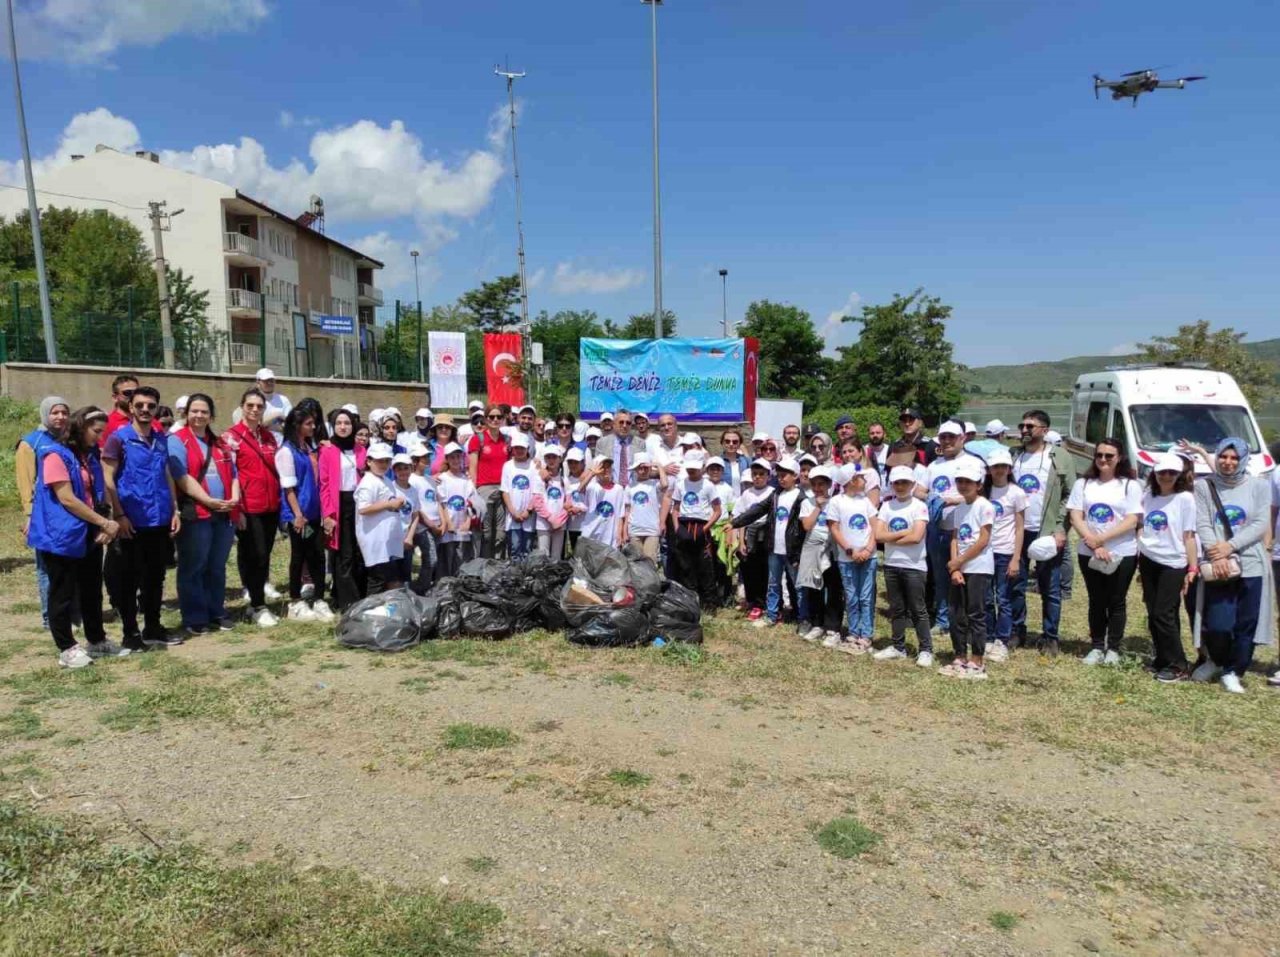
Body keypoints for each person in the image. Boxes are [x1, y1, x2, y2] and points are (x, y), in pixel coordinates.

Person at [29, 406, 129, 667]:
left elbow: (98, 491)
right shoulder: (54, 455)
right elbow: (67, 499)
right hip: (60, 536)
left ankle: (96, 640)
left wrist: (102, 523)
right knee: (61, 593)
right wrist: (104, 523)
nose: (100, 437)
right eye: (96, 431)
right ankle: (66, 647)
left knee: (91, 589)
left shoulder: (90, 455)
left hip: (88, 533)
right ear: (81, 428)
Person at [102, 386, 181, 650]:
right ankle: (130, 632)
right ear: (131, 408)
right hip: (131, 522)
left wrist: (175, 509)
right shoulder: (119, 439)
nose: (145, 410)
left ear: (157, 408)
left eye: (151, 405)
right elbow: (107, 478)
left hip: (158, 519)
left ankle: (153, 627)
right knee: (128, 579)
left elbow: (167, 475)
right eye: (140, 405)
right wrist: (119, 514)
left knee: (155, 577)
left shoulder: (161, 438)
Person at [1193, 437, 1274, 694]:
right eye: (1224, 457)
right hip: (1218, 565)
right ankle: (1216, 659)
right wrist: (1218, 555)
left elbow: (1260, 522)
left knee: (1246, 622)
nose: (1228, 462)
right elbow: (1203, 522)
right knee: (1218, 623)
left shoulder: (1259, 486)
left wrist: (1230, 546)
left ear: (1242, 460)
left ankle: (1233, 671)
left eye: (1234, 458)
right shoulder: (1204, 486)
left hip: (1251, 564)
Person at [1067, 437, 1142, 664]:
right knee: (1096, 600)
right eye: (1099, 455)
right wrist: (1092, 542)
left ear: (1119, 458)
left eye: (1109, 455)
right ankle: (1097, 646)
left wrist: (1101, 540)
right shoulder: (1084, 484)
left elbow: (1132, 520)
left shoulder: (1130, 485)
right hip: (1089, 552)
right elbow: (1075, 515)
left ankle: (1114, 649)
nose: (1103, 459)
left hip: (1123, 552)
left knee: (1116, 600)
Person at [169, 394, 240, 636]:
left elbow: (233, 474)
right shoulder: (177, 441)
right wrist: (208, 500)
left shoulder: (219, 443)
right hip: (197, 513)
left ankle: (216, 611)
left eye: (204, 412)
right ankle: (195, 616)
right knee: (193, 566)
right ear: (186, 413)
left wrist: (234, 498)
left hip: (223, 514)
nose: (199, 416)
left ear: (211, 415)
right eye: (194, 411)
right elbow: (181, 475)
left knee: (217, 566)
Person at [1010, 409, 1077, 656]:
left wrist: (1061, 529)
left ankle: (1050, 636)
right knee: (1015, 584)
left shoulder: (1059, 457)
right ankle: (1017, 630)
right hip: (1017, 531)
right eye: (1022, 425)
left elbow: (1071, 494)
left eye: (1031, 426)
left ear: (1045, 430)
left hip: (1047, 531)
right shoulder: (1013, 456)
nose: (1025, 430)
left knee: (1050, 587)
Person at [223, 388, 283, 627]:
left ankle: (256, 600)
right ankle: (257, 604)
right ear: (242, 407)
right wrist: (236, 511)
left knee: (265, 555)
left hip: (271, 505)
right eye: (250, 405)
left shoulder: (268, 437)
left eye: (259, 406)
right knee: (254, 555)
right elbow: (230, 475)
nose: (255, 410)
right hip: (249, 506)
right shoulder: (231, 437)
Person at [1137, 453, 1199, 682]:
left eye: (1172, 473)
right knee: (1154, 612)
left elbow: (1189, 535)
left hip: (1173, 561)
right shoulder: (1149, 496)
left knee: (1164, 613)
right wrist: (1141, 545)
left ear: (1180, 475)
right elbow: (1141, 524)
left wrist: (1192, 568)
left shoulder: (1185, 499)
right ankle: (1162, 658)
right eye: (1162, 472)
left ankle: (1178, 664)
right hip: (1149, 558)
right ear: (1155, 473)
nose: (1166, 476)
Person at [731, 457, 804, 630]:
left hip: (791, 549)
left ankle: (803, 617)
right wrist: (735, 523)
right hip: (774, 548)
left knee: (797, 584)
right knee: (773, 583)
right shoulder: (776, 494)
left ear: (795, 476)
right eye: (779, 474)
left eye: (785, 474)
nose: (781, 478)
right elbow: (756, 510)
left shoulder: (801, 498)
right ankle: (771, 615)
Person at [17, 396, 71, 628]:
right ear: (44, 414)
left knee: (68, 565)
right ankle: (51, 616)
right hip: (43, 516)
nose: (60, 417)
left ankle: (69, 611)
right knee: (46, 567)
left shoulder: (68, 441)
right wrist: (29, 516)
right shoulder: (31, 443)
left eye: (64, 412)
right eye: (54, 413)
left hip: (68, 513)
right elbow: (25, 483)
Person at [940, 459, 995, 680]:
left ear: (978, 484)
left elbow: (983, 539)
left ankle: (977, 657)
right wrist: (955, 567)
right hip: (960, 566)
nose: (963, 485)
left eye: (968, 481)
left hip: (979, 566)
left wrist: (959, 561)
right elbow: (955, 537)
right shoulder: (959, 508)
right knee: (956, 612)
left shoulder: (985, 506)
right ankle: (960, 654)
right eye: (960, 481)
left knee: (976, 613)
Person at [276, 407, 333, 622]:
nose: (313, 427)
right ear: (297, 425)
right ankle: (294, 601)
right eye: (308, 424)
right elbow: (288, 488)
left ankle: (319, 598)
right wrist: (297, 514)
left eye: (314, 423)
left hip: (314, 512)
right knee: (299, 557)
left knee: (317, 556)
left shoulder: (308, 448)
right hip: (299, 515)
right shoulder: (286, 451)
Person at [873, 466, 933, 666]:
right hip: (891, 564)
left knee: (918, 609)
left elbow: (916, 537)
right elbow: (878, 536)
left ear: (912, 484)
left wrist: (890, 539)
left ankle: (926, 649)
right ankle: (898, 646)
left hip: (914, 565)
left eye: (904, 483)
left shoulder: (919, 506)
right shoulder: (887, 506)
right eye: (896, 483)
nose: (900, 486)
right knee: (897, 608)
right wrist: (903, 532)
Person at [319, 408, 367, 610]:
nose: (343, 426)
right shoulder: (327, 450)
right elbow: (324, 484)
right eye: (339, 423)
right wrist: (328, 515)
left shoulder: (360, 449)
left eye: (347, 423)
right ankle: (347, 600)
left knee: (359, 551)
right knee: (343, 554)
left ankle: (360, 594)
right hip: (338, 504)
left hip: (358, 504)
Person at [827, 465, 878, 654]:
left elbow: (875, 526)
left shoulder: (865, 502)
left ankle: (866, 634)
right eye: (861, 477)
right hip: (846, 558)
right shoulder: (836, 502)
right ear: (852, 481)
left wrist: (868, 549)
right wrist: (849, 550)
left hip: (868, 557)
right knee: (852, 596)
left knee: (866, 596)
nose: (865, 481)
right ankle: (853, 631)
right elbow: (835, 528)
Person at [983, 448, 1027, 663]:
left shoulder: (1016, 493)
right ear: (989, 470)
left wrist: (1015, 558)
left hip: (1004, 551)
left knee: (1004, 598)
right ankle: (988, 637)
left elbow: (1020, 528)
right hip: (984, 551)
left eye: (1003, 467)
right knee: (987, 598)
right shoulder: (984, 491)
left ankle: (1002, 639)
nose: (999, 470)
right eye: (995, 467)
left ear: (1009, 469)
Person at [664, 456, 722, 609]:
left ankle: (709, 602)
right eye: (689, 469)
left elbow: (717, 510)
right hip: (684, 524)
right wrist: (676, 527)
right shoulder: (681, 484)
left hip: (701, 524)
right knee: (685, 565)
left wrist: (705, 528)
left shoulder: (708, 485)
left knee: (705, 565)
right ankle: (690, 601)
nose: (691, 471)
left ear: (701, 468)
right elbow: (675, 508)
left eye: (695, 469)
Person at [796, 465, 843, 645]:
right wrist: (817, 506)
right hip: (813, 548)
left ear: (829, 484)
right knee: (814, 587)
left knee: (833, 588)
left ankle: (833, 628)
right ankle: (817, 623)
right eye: (814, 484)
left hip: (833, 549)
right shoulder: (807, 503)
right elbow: (807, 525)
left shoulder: (837, 502)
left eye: (822, 484)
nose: (818, 488)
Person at [355, 444, 404, 592]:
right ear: (369, 461)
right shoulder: (368, 482)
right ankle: (371, 609)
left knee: (389, 577)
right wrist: (389, 504)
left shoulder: (385, 480)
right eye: (379, 461)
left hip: (386, 538)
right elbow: (363, 508)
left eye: (386, 461)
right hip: (374, 538)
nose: (383, 465)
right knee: (377, 579)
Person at [733, 459, 774, 619]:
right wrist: (741, 541)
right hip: (749, 532)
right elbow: (743, 518)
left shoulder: (772, 492)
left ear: (768, 476)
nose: (758, 477)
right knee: (748, 568)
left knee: (763, 569)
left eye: (761, 474)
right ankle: (752, 601)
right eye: (754, 474)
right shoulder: (747, 493)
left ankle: (761, 602)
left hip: (766, 532)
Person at [469, 404, 511, 559]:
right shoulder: (477, 439)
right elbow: (473, 467)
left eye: (498, 417)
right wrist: (474, 491)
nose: (495, 420)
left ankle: (497, 565)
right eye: (491, 417)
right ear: (486, 419)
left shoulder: (506, 440)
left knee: (500, 532)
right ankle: (483, 563)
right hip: (484, 489)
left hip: (502, 489)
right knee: (485, 532)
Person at [437, 443, 478, 576]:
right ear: (447, 459)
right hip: (449, 528)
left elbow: (472, 504)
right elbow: (441, 504)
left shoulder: (466, 480)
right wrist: (448, 522)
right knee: (447, 558)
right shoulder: (442, 479)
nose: (455, 460)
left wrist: (468, 522)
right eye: (452, 457)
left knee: (461, 560)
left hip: (462, 527)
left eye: (458, 457)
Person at [501, 433, 541, 560]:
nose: (519, 451)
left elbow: (537, 492)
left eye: (522, 448)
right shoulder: (508, 465)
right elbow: (505, 491)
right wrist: (513, 512)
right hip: (512, 517)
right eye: (516, 448)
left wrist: (528, 511)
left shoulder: (534, 466)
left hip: (528, 516)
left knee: (527, 550)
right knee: (514, 549)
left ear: (527, 448)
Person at [621, 453, 664, 563]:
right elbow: (627, 510)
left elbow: (665, 485)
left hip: (652, 529)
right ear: (635, 469)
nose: (643, 470)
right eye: (640, 468)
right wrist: (625, 532)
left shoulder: (655, 484)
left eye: (645, 468)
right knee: (636, 563)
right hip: (634, 529)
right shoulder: (630, 487)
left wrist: (659, 467)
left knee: (649, 561)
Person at [578, 452, 625, 548]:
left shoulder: (619, 489)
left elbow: (620, 515)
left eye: (608, 467)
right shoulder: (592, 487)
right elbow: (580, 489)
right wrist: (592, 474)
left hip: (610, 537)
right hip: (592, 534)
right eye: (602, 468)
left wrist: (619, 534)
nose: (606, 470)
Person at [534, 446, 568, 560]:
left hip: (560, 524)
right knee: (543, 555)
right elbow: (537, 502)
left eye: (554, 457)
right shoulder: (539, 478)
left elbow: (568, 502)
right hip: (543, 524)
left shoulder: (565, 480)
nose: (551, 460)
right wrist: (550, 519)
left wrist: (559, 520)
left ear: (560, 459)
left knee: (556, 557)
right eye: (548, 457)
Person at [595, 409, 640, 485]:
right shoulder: (602, 443)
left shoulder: (640, 443)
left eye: (628, 423)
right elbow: (598, 467)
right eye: (621, 422)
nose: (625, 425)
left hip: (632, 488)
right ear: (614, 424)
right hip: (610, 488)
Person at [102, 373, 139, 445]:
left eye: (136, 392)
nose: (133, 396)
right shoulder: (106, 424)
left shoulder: (152, 422)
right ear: (115, 397)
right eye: (127, 393)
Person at [564, 447, 589, 553]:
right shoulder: (565, 480)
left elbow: (591, 502)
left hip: (585, 526)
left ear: (583, 463)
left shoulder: (589, 480)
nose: (573, 465)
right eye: (570, 462)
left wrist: (579, 509)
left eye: (576, 462)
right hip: (571, 526)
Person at [255, 368, 291, 434]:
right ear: (258, 383)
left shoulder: (283, 400)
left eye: (271, 380)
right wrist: (278, 414)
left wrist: (269, 426)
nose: (269, 383)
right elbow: (257, 424)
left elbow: (290, 424)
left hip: (280, 442)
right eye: (265, 381)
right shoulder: (254, 401)